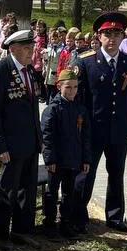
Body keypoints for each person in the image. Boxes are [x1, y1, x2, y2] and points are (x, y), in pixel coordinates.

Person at [73, 12, 127, 232]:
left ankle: (114, 217)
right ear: (98, 36)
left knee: (116, 173)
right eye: (107, 34)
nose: (112, 39)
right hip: (93, 129)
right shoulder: (86, 62)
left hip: (119, 130)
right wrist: (79, 127)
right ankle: (78, 216)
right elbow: (79, 99)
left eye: (116, 34)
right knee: (86, 173)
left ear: (123, 36)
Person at [0, 28, 42, 246]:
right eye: (27, 48)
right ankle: (0, 234)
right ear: (14, 49)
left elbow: (32, 107)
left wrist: (39, 139)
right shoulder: (2, 70)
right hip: (10, 144)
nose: (31, 52)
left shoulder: (29, 71)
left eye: (32, 48)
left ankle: (21, 230)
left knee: (27, 190)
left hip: (30, 142)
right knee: (8, 189)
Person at [41, 68, 91, 239]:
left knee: (69, 193)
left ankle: (66, 223)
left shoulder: (80, 109)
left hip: (74, 159)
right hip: (57, 160)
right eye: (68, 87)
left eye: (75, 87)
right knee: (52, 192)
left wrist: (86, 158)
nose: (72, 91)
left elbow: (85, 136)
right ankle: (49, 223)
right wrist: (50, 159)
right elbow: (47, 137)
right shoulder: (53, 109)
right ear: (59, 87)